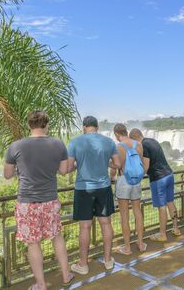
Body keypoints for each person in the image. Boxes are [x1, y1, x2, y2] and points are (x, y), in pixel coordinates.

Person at [4, 111, 74, 290]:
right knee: (56, 237)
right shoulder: (58, 144)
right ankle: (66, 275)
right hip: (50, 200)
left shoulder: (16, 146)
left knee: (33, 243)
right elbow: (64, 170)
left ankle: (41, 284)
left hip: (27, 202)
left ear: (29, 125)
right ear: (46, 125)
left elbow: (7, 174)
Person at [68, 116, 121, 275]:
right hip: (103, 188)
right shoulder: (109, 142)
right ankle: (107, 260)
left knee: (85, 226)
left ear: (84, 127)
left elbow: (69, 167)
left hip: (83, 189)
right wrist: (106, 162)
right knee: (106, 223)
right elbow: (117, 164)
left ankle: (83, 265)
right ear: (97, 127)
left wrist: (79, 164)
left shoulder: (75, 142)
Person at [129, 128, 181, 241]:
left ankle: (162, 234)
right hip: (169, 174)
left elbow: (146, 166)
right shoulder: (152, 140)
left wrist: (137, 178)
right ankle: (176, 228)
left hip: (158, 178)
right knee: (170, 202)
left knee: (161, 207)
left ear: (134, 138)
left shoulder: (143, 146)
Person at [111, 123, 147, 255]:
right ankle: (140, 243)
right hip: (136, 181)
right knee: (137, 212)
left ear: (116, 134)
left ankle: (127, 248)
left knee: (124, 215)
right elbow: (141, 163)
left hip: (123, 180)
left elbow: (116, 166)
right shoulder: (139, 144)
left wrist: (111, 177)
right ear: (126, 131)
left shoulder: (118, 147)